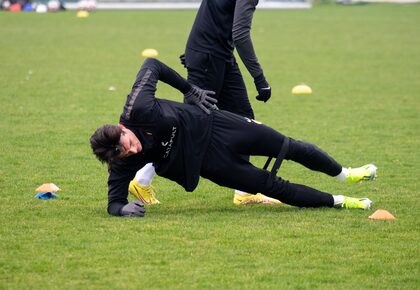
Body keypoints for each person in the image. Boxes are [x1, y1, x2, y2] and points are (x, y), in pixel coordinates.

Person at [90, 58, 377, 217]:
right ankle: (342, 201)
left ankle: (345, 174)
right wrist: (122, 209)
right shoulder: (121, 161)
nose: (132, 151)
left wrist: (189, 89)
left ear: (122, 128)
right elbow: (113, 201)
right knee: (272, 186)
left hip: (219, 126)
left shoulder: (137, 106)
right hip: (210, 164)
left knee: (288, 146)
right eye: (126, 155)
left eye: (128, 144)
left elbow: (152, 64)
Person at [130, 0, 279, 206]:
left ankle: (244, 191)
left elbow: (211, 13)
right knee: (190, 126)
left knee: (243, 118)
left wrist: (194, 49)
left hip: (218, 55)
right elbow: (241, 34)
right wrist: (259, 78)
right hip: (209, 56)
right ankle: (141, 179)